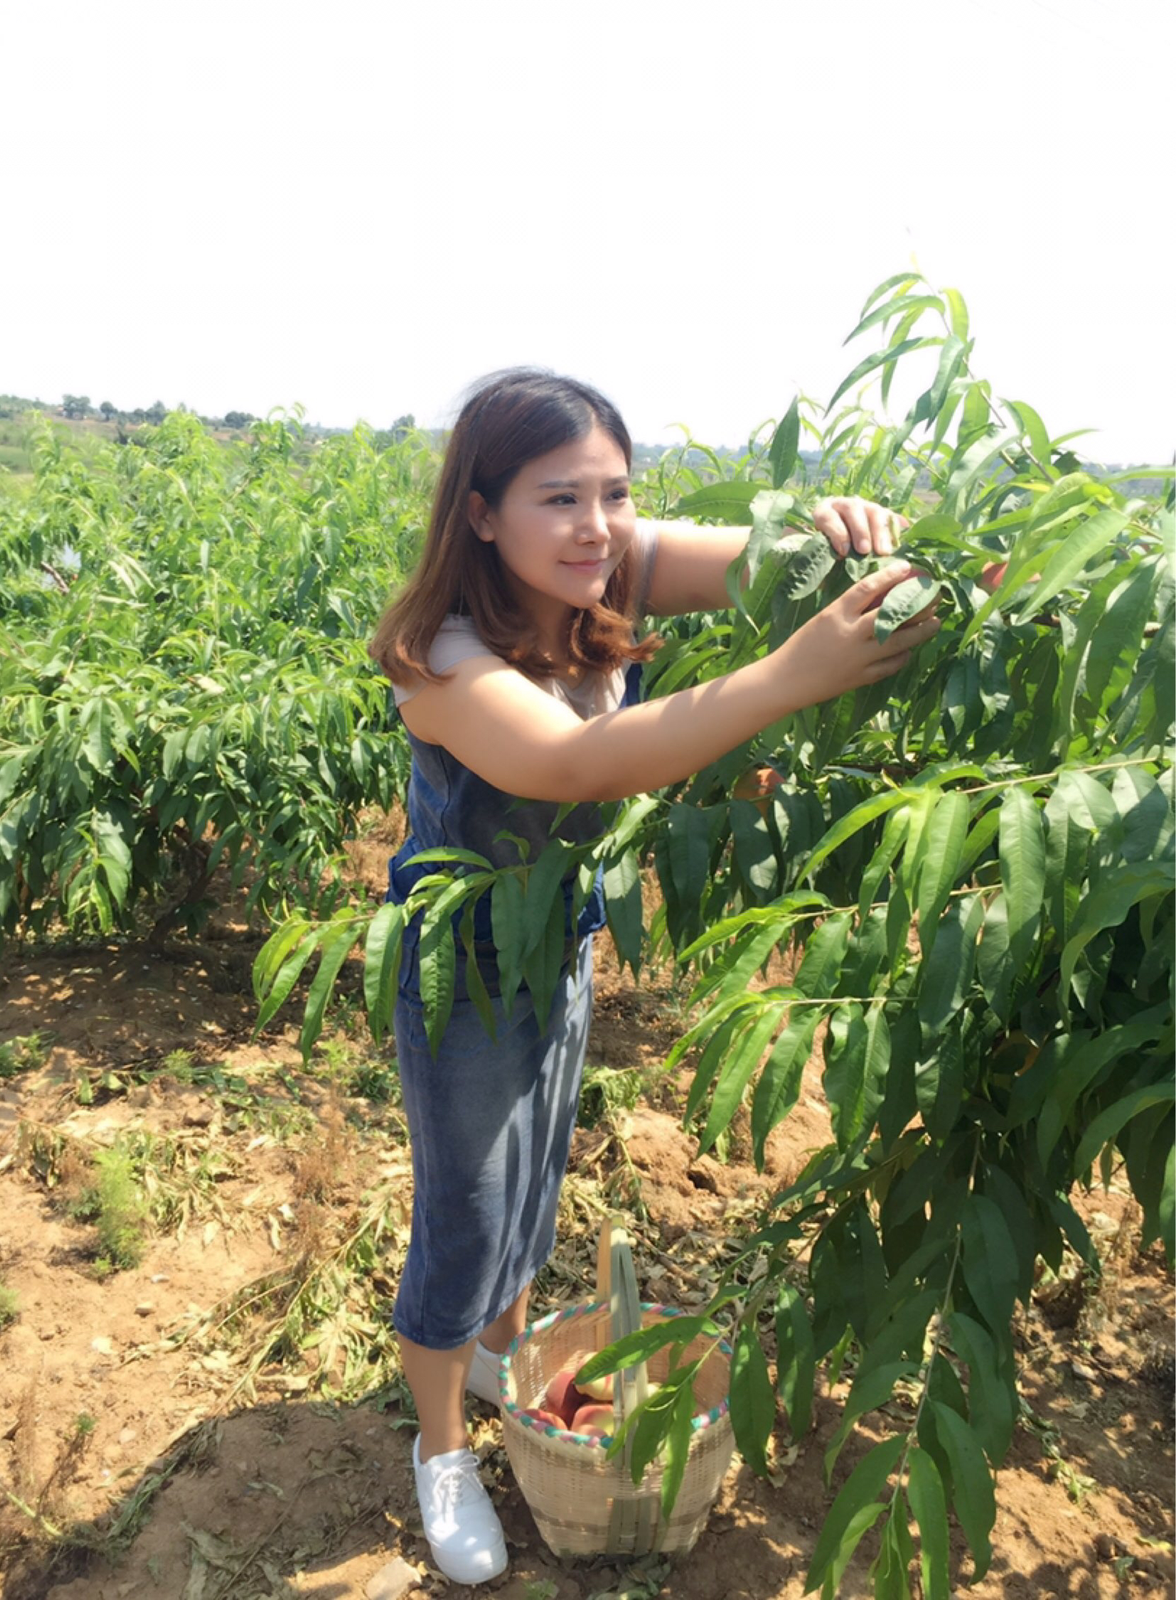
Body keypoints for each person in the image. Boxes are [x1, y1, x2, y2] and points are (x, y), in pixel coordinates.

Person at [371, 369, 938, 1583]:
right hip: (459, 960)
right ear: (480, 513)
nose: (597, 524)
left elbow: (761, 565)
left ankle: (494, 1355)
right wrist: (793, 674)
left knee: (530, 1178)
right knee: (464, 1207)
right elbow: (576, 763)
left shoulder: (609, 567)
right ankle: (440, 1448)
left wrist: (831, 534)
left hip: (554, 933)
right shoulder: (438, 654)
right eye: (558, 495)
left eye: (616, 493)